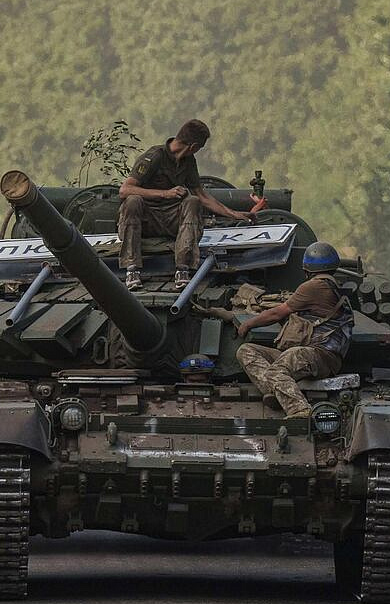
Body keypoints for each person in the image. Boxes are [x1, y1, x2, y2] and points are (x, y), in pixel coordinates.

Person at [117, 119, 253, 289]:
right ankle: (132, 269)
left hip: (171, 219)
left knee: (193, 201)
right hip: (146, 219)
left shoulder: (188, 162)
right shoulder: (154, 156)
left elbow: (201, 195)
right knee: (132, 201)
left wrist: (234, 214)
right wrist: (165, 193)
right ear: (193, 146)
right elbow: (125, 189)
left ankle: (183, 268)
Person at [233, 241, 354, 419]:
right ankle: (275, 392)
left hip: (319, 354)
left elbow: (276, 313)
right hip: (316, 355)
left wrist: (247, 324)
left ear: (306, 270)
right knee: (247, 351)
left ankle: (300, 410)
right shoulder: (333, 287)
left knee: (277, 370)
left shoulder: (313, 287)